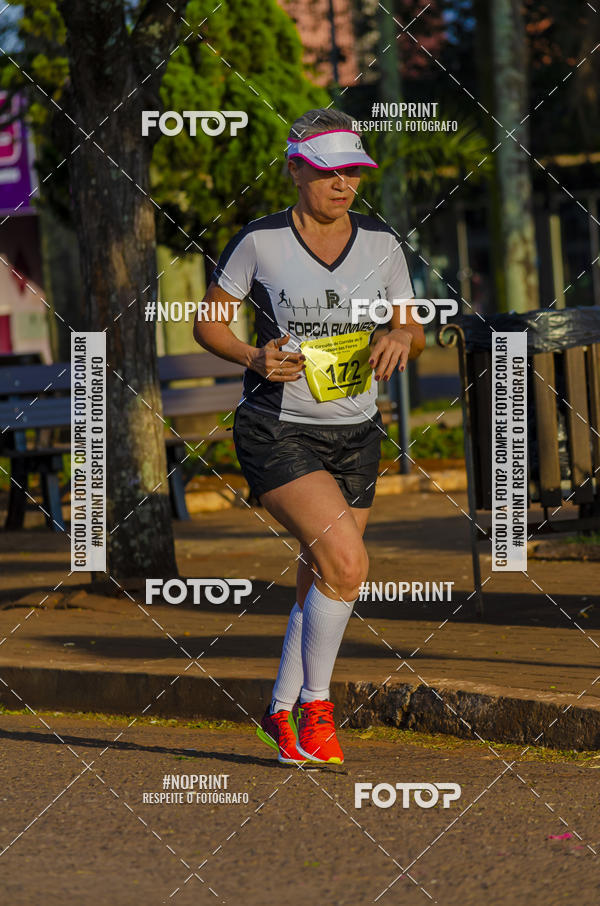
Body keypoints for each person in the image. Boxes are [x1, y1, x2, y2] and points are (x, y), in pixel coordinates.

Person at [194, 107, 425, 765]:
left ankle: (278, 711)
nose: (343, 185)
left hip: (357, 433)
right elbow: (208, 324)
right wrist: (252, 355)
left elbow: (411, 327)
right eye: (328, 172)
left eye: (353, 172)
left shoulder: (381, 243)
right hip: (277, 427)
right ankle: (319, 709)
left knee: (321, 576)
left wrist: (399, 337)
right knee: (348, 565)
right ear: (295, 170)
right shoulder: (260, 241)